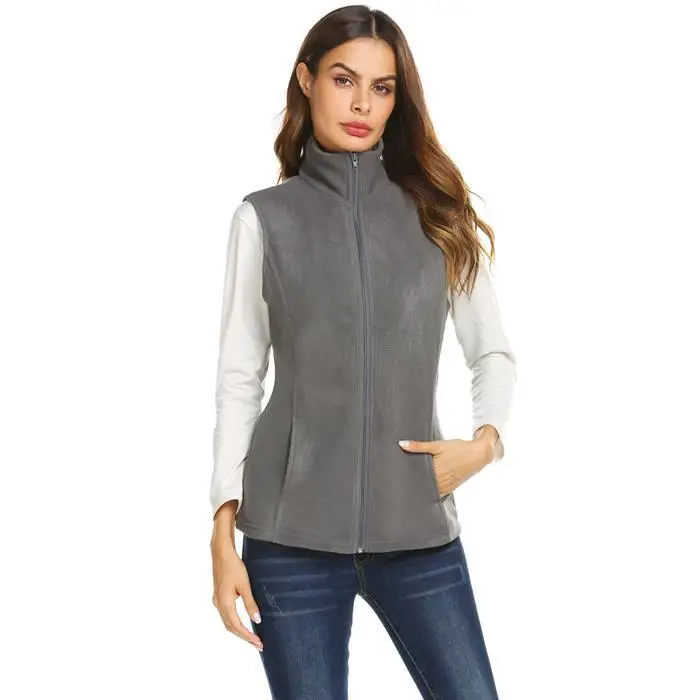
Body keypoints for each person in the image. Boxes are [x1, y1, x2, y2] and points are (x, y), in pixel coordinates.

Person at [209, 6, 517, 699]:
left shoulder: (437, 216)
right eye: (344, 80)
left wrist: (484, 445)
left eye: (382, 88)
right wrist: (222, 535)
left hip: (418, 533)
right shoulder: (263, 218)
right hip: (288, 543)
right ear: (307, 80)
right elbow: (239, 378)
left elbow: (493, 353)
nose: (361, 104)